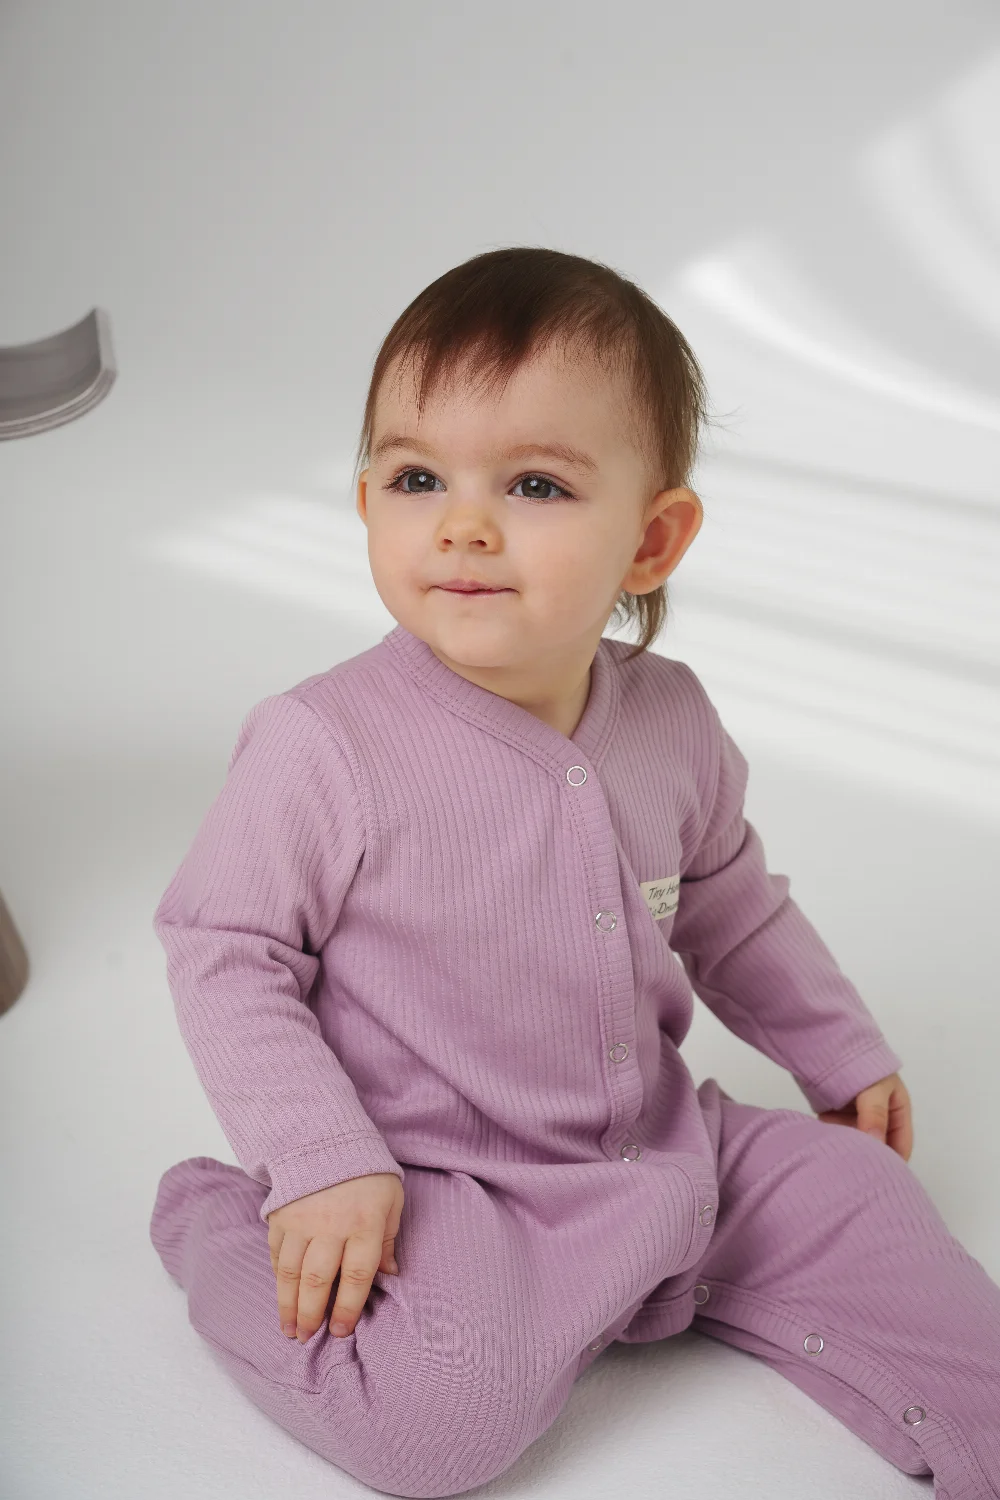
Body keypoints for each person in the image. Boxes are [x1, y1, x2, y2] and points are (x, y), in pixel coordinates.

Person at [149, 246, 1000, 1499]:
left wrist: (838, 1049)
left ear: (651, 540)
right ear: (367, 498)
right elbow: (225, 949)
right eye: (416, 477)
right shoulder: (324, 742)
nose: (462, 523)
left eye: (535, 484)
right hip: (450, 1185)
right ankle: (217, 1223)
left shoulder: (669, 717)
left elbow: (729, 905)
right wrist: (322, 1158)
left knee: (869, 1205)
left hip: (664, 1144)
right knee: (435, 1424)